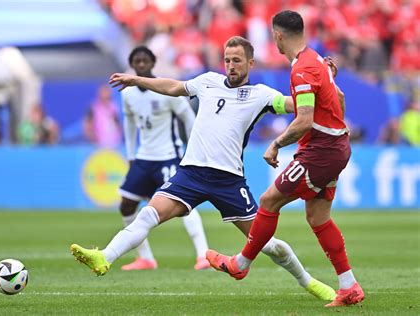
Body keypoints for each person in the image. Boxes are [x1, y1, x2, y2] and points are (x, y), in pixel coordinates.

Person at [70, 35, 336, 302]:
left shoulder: (261, 95)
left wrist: (326, 82)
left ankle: (308, 281)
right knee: (148, 215)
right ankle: (104, 257)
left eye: (237, 61)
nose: (231, 65)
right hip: (191, 173)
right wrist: (137, 80)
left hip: (229, 181)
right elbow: (173, 87)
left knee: (268, 244)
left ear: (251, 63)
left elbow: (297, 105)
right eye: (227, 60)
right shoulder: (207, 81)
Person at [206, 11, 364, 308]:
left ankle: (240, 264)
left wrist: (275, 144)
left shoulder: (302, 70)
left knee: (268, 202)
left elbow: (303, 121)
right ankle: (349, 286)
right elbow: (339, 99)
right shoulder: (317, 60)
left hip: (321, 151)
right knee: (318, 218)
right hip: (336, 146)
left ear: (278, 36)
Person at [118, 46, 210, 270]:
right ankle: (146, 258)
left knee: (182, 204)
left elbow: (188, 118)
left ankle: (202, 255)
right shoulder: (128, 94)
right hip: (143, 158)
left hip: (168, 156)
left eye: (145, 60)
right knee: (126, 205)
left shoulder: (166, 90)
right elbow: (129, 124)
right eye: (136, 61)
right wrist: (130, 155)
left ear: (152, 63)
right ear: (132, 65)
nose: (141, 64)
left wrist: (192, 148)